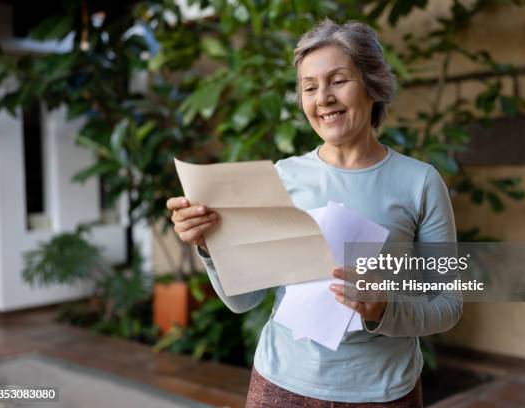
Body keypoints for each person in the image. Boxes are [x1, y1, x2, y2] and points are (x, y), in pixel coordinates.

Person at [167, 19, 462, 408]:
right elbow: (245, 300)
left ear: (373, 85)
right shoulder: (283, 178)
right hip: (281, 385)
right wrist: (211, 247)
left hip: (383, 392)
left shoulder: (420, 182)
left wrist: (383, 309)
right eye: (309, 87)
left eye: (338, 80)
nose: (322, 97)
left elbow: (448, 305)